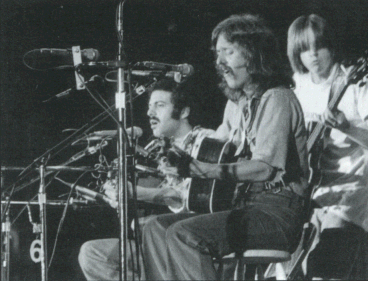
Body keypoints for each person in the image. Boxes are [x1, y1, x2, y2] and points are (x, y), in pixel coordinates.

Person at [141, 14, 309, 280]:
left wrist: (201, 169)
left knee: (184, 234)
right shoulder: (242, 105)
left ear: (253, 54)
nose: (219, 63)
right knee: (155, 227)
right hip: (247, 207)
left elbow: (263, 169)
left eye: (228, 52)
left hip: (276, 215)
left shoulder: (277, 98)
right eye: (218, 55)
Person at [78, 77, 214, 280]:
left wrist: (139, 193)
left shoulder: (207, 141)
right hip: (156, 237)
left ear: (184, 112)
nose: (150, 113)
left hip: (189, 238)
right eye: (150, 106)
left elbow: (190, 196)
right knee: (92, 253)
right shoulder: (156, 148)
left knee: (153, 228)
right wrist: (118, 194)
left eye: (159, 105)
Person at [287, 14, 368, 279]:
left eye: (318, 46)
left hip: (348, 193)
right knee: (296, 271)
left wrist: (347, 128)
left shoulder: (358, 81)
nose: (313, 55)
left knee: (327, 270)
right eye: (305, 49)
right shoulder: (298, 84)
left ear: (330, 45)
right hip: (308, 193)